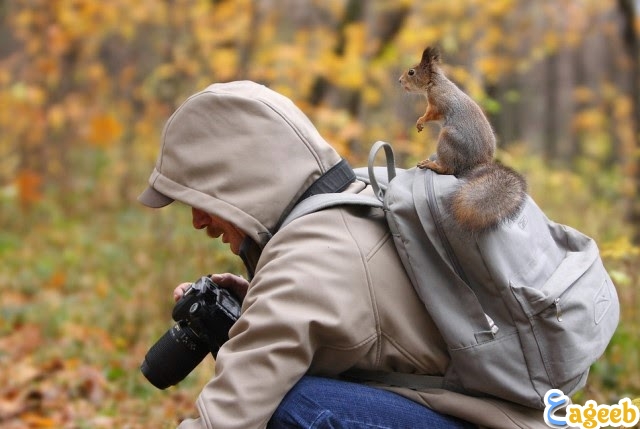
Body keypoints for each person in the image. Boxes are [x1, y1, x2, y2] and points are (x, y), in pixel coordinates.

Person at [138, 81, 547, 428]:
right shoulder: (360, 194)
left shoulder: (308, 260)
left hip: (487, 420)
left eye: (199, 197)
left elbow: (226, 418)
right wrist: (254, 308)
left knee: (288, 406)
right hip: (515, 413)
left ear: (236, 181)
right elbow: (360, 322)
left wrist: (269, 309)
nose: (197, 221)